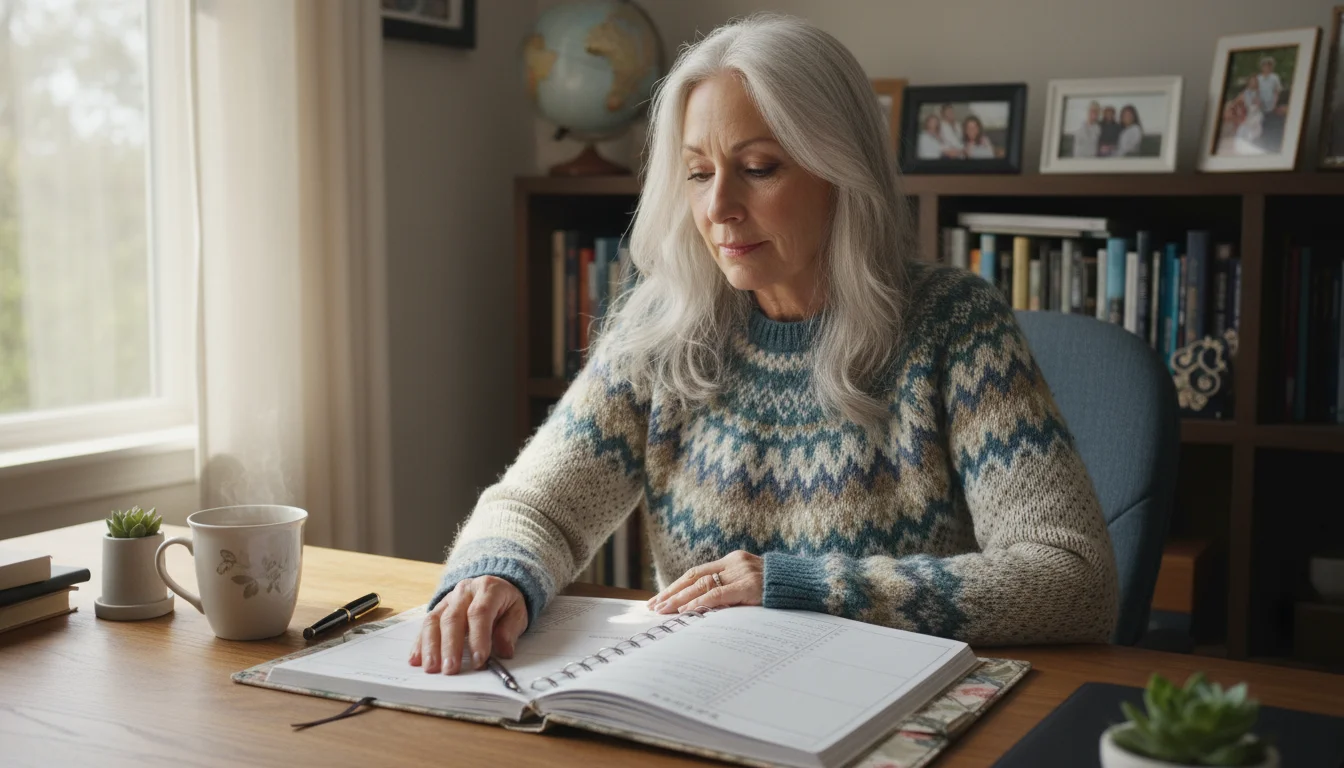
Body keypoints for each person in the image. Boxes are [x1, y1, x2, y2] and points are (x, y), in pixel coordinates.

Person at [408, 12, 1119, 677]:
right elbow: (540, 506)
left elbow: (1072, 579)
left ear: (841, 171)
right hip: (706, 700)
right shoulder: (666, 323)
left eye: (758, 167)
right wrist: (495, 571)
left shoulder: (953, 325)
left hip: (886, 703)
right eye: (697, 172)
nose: (717, 208)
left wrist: (799, 585)